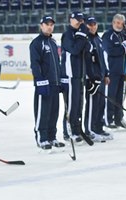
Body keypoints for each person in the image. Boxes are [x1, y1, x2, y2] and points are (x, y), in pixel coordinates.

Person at [29, 15, 65, 152]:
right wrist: (40, 81)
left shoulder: (53, 42)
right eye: (46, 24)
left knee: (53, 112)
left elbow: (58, 63)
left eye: (51, 24)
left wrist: (61, 79)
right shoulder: (37, 43)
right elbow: (35, 64)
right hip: (44, 85)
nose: (49, 26)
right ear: (41, 26)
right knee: (42, 113)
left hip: (55, 84)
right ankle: (41, 138)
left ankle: (52, 137)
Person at [61, 10, 91, 143]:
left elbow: (88, 49)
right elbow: (75, 49)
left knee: (79, 104)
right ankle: (69, 131)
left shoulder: (82, 34)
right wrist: (81, 36)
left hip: (79, 75)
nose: (79, 22)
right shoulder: (67, 35)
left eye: (81, 20)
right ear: (70, 20)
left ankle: (77, 129)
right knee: (71, 105)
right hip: (70, 75)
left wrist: (83, 36)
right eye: (77, 19)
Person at [102, 13, 126, 131]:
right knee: (110, 96)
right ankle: (108, 119)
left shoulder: (123, 35)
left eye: (121, 23)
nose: (119, 25)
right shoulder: (108, 36)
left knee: (120, 97)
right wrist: (124, 47)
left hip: (122, 71)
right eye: (117, 22)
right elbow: (111, 51)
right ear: (113, 23)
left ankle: (118, 118)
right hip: (111, 71)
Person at [84, 16, 113, 142]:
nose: (92, 26)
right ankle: (89, 130)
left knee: (101, 104)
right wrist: (90, 78)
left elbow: (103, 60)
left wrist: (106, 74)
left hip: (101, 78)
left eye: (94, 24)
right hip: (92, 79)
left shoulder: (99, 39)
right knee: (92, 105)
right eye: (90, 24)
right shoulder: (86, 41)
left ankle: (98, 128)